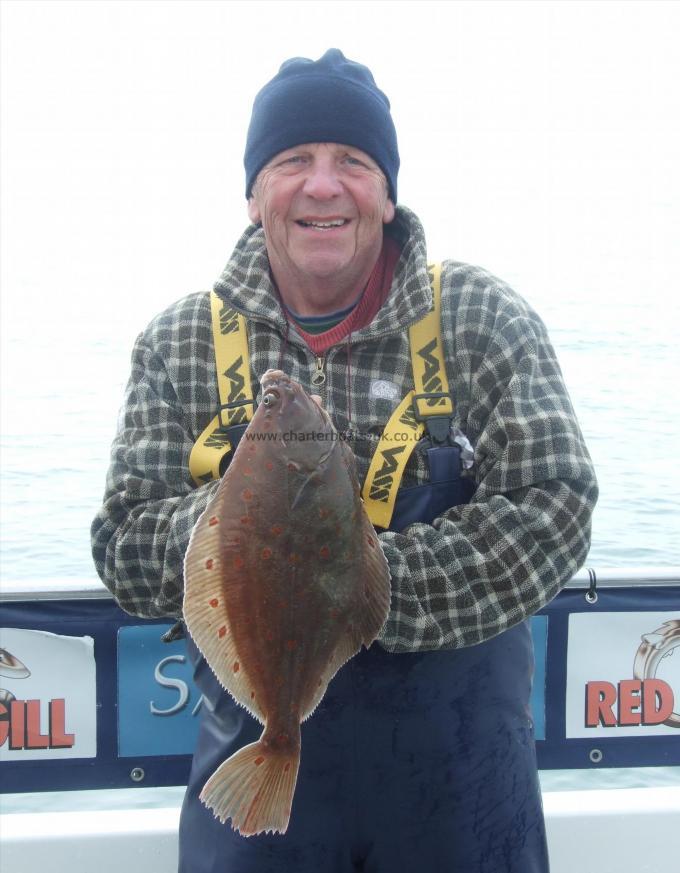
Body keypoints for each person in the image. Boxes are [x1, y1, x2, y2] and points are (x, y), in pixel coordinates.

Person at [92, 49, 598, 873]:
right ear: (255, 195)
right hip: (261, 798)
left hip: (459, 786)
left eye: (353, 163)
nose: (322, 185)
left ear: (387, 192)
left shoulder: (477, 315)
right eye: (293, 160)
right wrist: (239, 522)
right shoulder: (179, 340)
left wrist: (362, 585)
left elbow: (556, 505)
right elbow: (123, 545)